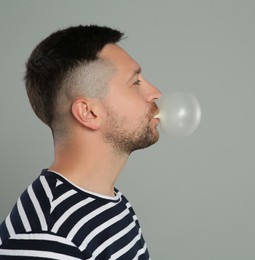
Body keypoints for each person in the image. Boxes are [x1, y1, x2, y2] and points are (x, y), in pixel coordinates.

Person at [0, 25, 161, 259]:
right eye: (135, 82)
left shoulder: (113, 202)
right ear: (89, 112)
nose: (154, 92)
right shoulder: (47, 238)